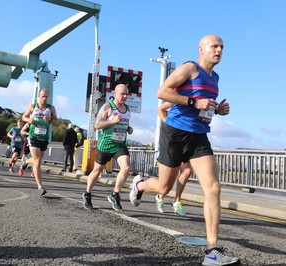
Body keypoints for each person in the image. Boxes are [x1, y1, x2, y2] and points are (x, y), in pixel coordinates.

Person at [129, 35, 239, 265]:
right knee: (164, 187)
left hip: (199, 135)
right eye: (214, 46)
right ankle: (139, 184)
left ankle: (212, 252)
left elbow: (204, 106)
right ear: (201, 48)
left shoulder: (215, 77)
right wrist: (193, 102)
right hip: (175, 133)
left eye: (222, 47)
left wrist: (218, 110)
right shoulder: (190, 68)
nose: (219, 50)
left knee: (213, 187)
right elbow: (162, 92)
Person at [82, 83, 133, 211]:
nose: (125, 96)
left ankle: (115, 194)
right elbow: (97, 125)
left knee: (126, 168)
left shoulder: (128, 109)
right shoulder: (107, 107)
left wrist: (129, 128)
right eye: (122, 93)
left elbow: (125, 124)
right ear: (115, 93)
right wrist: (112, 121)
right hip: (105, 144)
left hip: (120, 144)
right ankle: (87, 193)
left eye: (126, 93)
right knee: (97, 171)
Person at [155, 101, 192, 216]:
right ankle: (159, 196)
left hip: (190, 137)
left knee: (187, 170)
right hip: (173, 137)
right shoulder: (182, 96)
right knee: (166, 184)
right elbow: (160, 109)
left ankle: (177, 201)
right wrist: (168, 123)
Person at [21, 88, 58, 196]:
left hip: (44, 138)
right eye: (43, 96)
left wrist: (50, 119)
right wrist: (29, 120)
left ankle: (26, 161)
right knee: (37, 161)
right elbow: (23, 116)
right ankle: (40, 187)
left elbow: (56, 123)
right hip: (33, 136)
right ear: (39, 96)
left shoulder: (51, 108)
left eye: (46, 96)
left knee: (38, 161)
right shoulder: (33, 106)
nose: (45, 98)